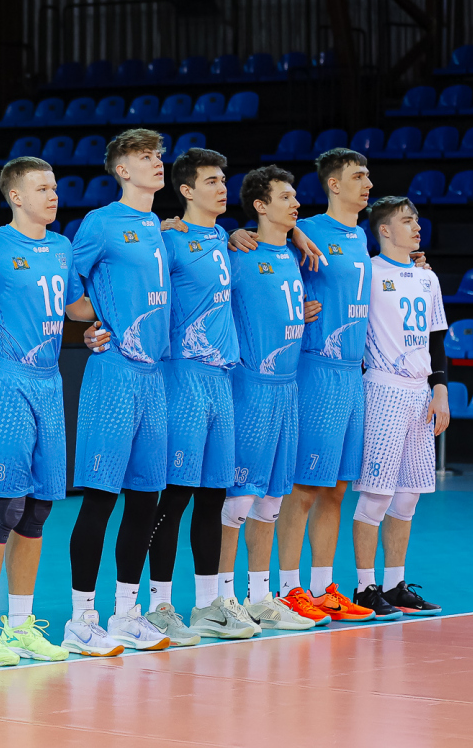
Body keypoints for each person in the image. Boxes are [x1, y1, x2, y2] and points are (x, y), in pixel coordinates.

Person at [0, 156, 94, 667]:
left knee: (38, 509)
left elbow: (74, 309)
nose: (54, 195)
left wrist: (115, 305)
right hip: (7, 381)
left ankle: (22, 625)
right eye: (42, 188)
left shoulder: (62, 247)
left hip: (49, 382)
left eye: (54, 187)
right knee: (6, 506)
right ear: (16, 196)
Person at [65, 128, 187, 654]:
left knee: (145, 500)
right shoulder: (100, 222)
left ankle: (125, 614)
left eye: (158, 155)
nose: (157, 162)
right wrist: (88, 322)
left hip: (153, 377)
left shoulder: (159, 226)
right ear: (122, 170)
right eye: (144, 156)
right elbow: (65, 279)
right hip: (114, 373)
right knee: (100, 498)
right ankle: (80, 619)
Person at [149, 149, 258, 641]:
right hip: (183, 376)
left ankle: (209, 603)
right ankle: (158, 604)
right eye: (211, 181)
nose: (222, 188)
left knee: (214, 496)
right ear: (187, 190)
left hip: (222, 380)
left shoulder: (223, 237)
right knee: (175, 496)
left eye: (223, 179)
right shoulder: (167, 239)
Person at [277, 148, 379, 624]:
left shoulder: (359, 236)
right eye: (359, 176)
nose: (368, 184)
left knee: (336, 488)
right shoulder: (307, 229)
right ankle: (287, 589)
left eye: (368, 176)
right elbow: (266, 256)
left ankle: (322, 589)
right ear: (333, 184)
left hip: (352, 374)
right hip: (316, 369)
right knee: (303, 487)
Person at [220, 166, 320, 633]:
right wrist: (231, 233)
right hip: (251, 388)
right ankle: (221, 598)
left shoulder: (293, 254)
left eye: (295, 196)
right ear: (260, 206)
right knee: (239, 501)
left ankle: (259, 597)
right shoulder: (238, 253)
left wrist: (299, 312)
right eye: (285, 197)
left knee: (273, 500)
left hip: (288, 387)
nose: (295, 203)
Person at [352, 197, 448, 618]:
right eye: (407, 221)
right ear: (385, 230)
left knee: (408, 497)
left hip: (419, 393)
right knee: (376, 495)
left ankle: (394, 585)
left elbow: (436, 339)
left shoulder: (428, 278)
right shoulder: (368, 272)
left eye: (417, 221)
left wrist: (440, 389)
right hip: (383, 388)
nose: (416, 227)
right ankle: (363, 587)